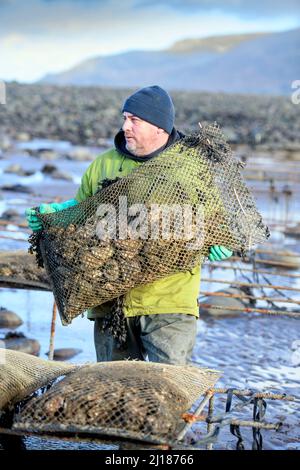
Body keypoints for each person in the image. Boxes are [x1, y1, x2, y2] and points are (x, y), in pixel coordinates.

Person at [26, 85, 232, 365]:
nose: (126, 126)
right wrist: (57, 215)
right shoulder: (103, 165)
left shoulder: (191, 169)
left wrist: (222, 242)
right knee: (116, 393)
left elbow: (217, 222)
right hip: (110, 302)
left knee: (168, 385)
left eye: (135, 120)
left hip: (168, 301)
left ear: (159, 127)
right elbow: (82, 214)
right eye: (125, 118)